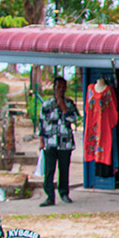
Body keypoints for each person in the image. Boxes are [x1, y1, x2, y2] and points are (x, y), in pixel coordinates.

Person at [39, 76, 80, 206]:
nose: (61, 90)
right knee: (49, 170)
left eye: (63, 87)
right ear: (54, 88)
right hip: (50, 142)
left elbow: (74, 120)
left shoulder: (69, 104)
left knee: (64, 169)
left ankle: (64, 193)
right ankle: (50, 196)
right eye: (58, 87)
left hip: (65, 143)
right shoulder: (46, 105)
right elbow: (41, 125)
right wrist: (41, 142)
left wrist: (63, 107)